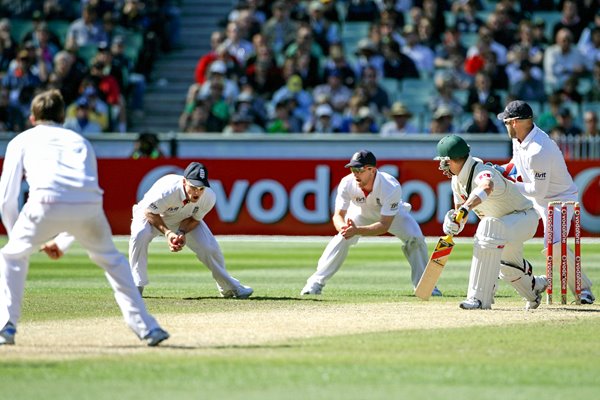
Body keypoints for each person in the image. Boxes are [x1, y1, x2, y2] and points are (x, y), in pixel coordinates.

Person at [0, 89, 169, 346]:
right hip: (89, 206)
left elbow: (6, 199)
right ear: (62, 116)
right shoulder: (80, 141)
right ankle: (147, 327)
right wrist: (62, 242)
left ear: (32, 118)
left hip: (43, 202)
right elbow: (84, 192)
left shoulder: (21, 140)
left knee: (11, 256)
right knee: (113, 261)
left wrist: (19, 241)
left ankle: (6, 326)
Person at [300, 150, 439, 297]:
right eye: (353, 169)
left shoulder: (390, 186)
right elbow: (338, 216)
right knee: (341, 238)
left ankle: (426, 287)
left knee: (415, 238)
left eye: (359, 170)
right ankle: (314, 284)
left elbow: (384, 225)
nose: (355, 174)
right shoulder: (347, 183)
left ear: (372, 170)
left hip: (392, 216)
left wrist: (357, 230)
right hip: (361, 212)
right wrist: (345, 230)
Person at [497, 100, 595, 304]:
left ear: (515, 122)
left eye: (506, 122)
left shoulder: (538, 149)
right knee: (504, 229)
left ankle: (583, 289)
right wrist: (500, 170)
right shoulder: (519, 139)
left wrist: (507, 183)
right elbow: (516, 164)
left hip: (559, 200)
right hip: (535, 198)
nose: (505, 125)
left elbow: (537, 190)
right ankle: (530, 283)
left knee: (553, 247)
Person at [435, 134, 549, 310]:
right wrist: (453, 221)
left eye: (444, 162)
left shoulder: (482, 172)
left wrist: (465, 208)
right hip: (503, 227)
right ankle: (536, 287)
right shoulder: (456, 181)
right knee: (507, 268)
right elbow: (461, 213)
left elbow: (486, 186)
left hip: (524, 218)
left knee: (487, 227)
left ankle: (479, 299)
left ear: (453, 160)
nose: (442, 167)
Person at [129, 162, 253, 298]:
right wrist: (168, 233)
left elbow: (194, 219)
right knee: (140, 234)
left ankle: (228, 288)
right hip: (150, 215)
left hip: (182, 218)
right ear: (184, 181)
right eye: (193, 187)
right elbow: (150, 212)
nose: (197, 192)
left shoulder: (209, 197)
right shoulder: (168, 190)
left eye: (201, 188)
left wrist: (181, 232)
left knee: (209, 248)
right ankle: (136, 284)